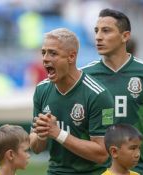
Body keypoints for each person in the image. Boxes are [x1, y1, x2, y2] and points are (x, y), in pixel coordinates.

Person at [82, 8, 143, 175]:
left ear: (125, 36)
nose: (98, 36)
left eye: (106, 31)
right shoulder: (85, 75)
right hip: (97, 170)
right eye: (96, 31)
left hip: (138, 168)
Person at [30, 28, 115, 175]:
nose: (45, 58)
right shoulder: (41, 90)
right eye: (43, 52)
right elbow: (36, 148)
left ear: (71, 56)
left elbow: (102, 154)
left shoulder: (98, 95)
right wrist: (41, 134)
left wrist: (57, 133)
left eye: (53, 53)